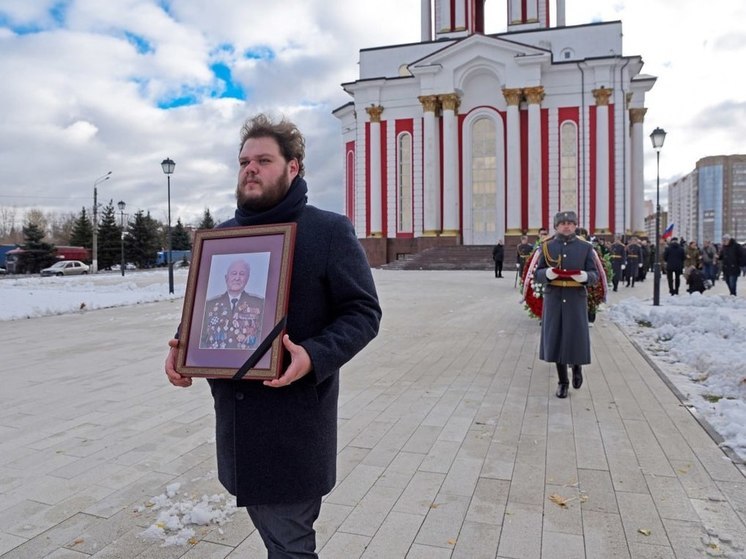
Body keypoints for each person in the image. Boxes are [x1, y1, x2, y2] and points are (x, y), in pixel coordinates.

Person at [165, 113, 382, 558]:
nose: (250, 168)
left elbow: (363, 312)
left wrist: (315, 355)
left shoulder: (327, 231)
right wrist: (183, 347)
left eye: (264, 159)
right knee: (280, 541)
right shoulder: (221, 238)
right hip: (238, 428)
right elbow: (204, 312)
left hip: (294, 427)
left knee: (290, 545)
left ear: (293, 166)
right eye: (244, 160)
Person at [534, 211, 599, 399]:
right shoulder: (546, 247)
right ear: (556, 226)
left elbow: (594, 275)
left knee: (575, 337)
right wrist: (547, 274)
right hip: (554, 298)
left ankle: (577, 367)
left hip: (575, 298)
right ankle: (563, 382)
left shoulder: (585, 247)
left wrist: (586, 277)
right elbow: (537, 274)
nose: (567, 226)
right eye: (562, 223)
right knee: (556, 340)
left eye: (570, 223)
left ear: (575, 225)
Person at [200, 259, 265, 350]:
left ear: (247, 278)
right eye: (234, 273)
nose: (237, 278)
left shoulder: (260, 304)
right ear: (226, 277)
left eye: (242, 274)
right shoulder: (209, 305)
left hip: (248, 360)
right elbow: (200, 339)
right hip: (214, 359)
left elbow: (262, 338)